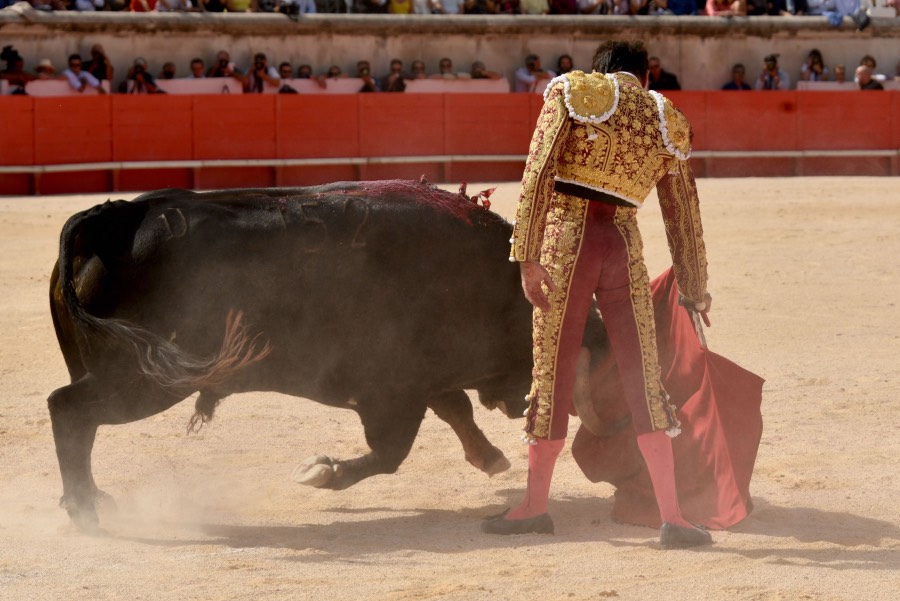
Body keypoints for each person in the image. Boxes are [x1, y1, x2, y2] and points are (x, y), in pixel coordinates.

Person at [482, 40, 712, 551]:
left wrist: (526, 255)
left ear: (600, 70)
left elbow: (539, 171)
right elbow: (683, 212)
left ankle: (534, 506)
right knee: (643, 375)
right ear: (645, 77)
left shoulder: (576, 91)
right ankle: (672, 516)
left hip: (568, 238)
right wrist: (695, 289)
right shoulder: (666, 119)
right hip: (623, 245)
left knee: (553, 369)